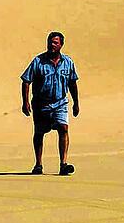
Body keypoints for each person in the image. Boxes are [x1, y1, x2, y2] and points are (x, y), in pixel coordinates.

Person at [21, 32, 80, 175]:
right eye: (50, 42)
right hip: (41, 104)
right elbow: (26, 81)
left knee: (63, 128)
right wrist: (25, 102)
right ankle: (38, 164)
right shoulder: (38, 61)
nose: (52, 45)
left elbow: (72, 83)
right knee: (40, 132)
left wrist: (76, 102)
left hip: (60, 103)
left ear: (61, 45)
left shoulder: (68, 62)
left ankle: (63, 164)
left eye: (55, 42)